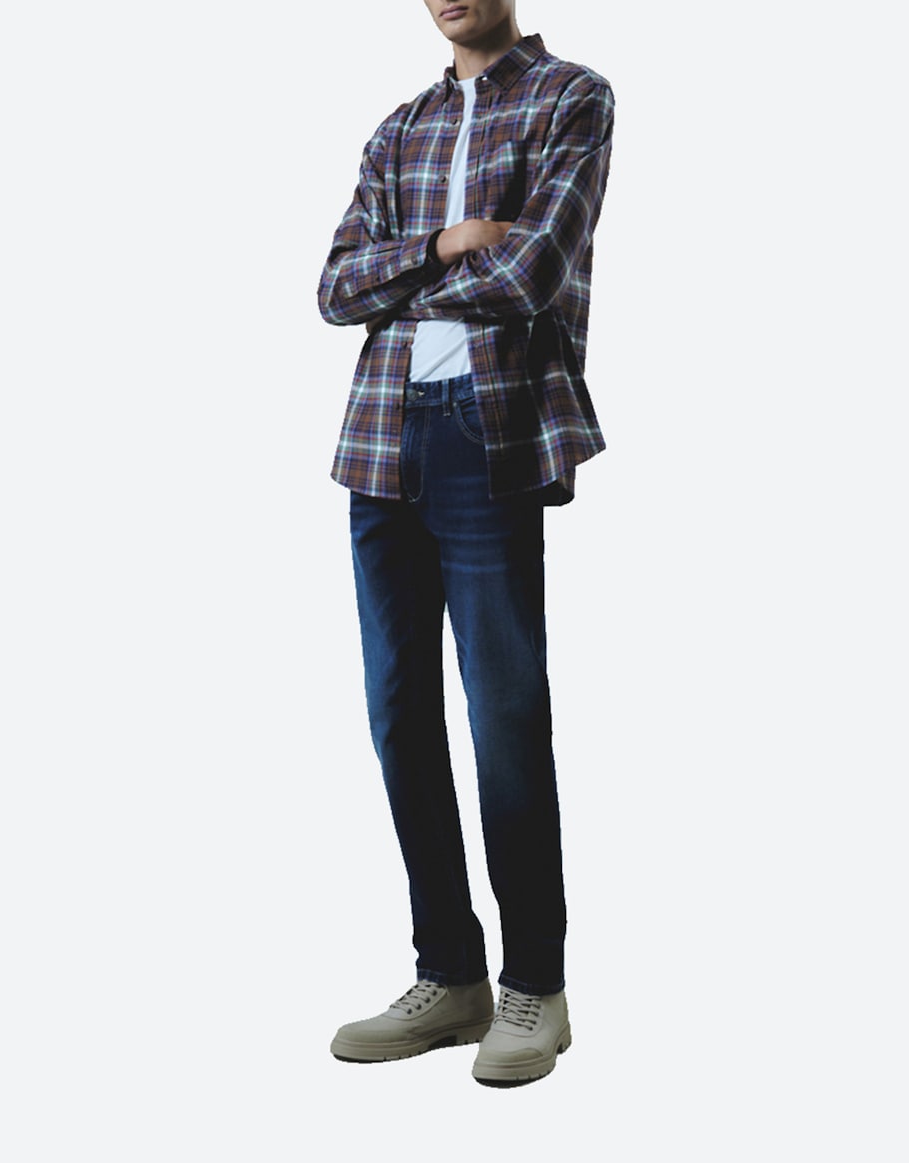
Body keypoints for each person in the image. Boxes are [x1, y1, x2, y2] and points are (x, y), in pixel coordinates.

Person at [317, 0, 614, 1086]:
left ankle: (535, 983)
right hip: (381, 435)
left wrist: (397, 282)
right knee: (399, 711)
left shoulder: (570, 97)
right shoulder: (399, 127)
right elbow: (332, 288)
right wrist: (443, 242)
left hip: (488, 428)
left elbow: (531, 273)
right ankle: (449, 976)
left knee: (504, 712)